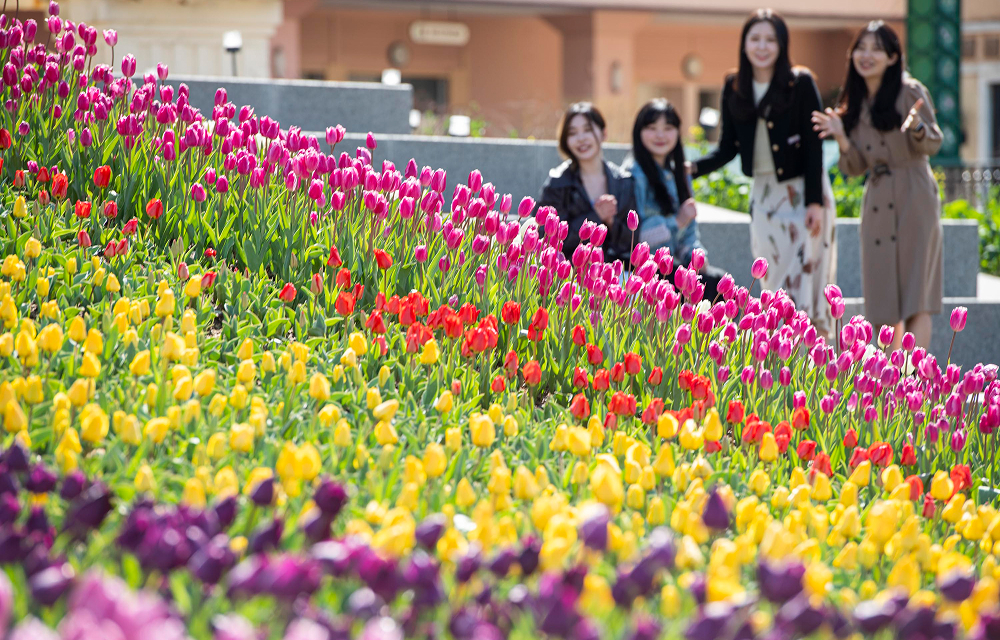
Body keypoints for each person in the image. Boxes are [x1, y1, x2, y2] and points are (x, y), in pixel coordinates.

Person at [690, 9, 837, 335]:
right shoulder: (734, 86)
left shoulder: (800, 83)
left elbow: (815, 146)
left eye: (770, 40)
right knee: (772, 275)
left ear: (782, 45)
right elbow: (727, 147)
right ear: (744, 44)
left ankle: (809, 358)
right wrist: (693, 169)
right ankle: (778, 357)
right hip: (764, 196)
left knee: (805, 275)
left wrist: (814, 201)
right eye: (755, 39)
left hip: (803, 194)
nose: (762, 46)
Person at [812, 21, 942, 350]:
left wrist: (916, 129)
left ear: (892, 57)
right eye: (861, 48)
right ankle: (886, 387)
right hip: (877, 199)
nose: (866, 55)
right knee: (882, 303)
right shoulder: (854, 102)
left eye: (876, 49)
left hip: (914, 193)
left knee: (917, 298)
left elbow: (934, 142)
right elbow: (854, 168)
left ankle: (915, 386)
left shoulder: (909, 90)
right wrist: (841, 136)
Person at [622, 98, 726, 301]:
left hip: (672, 268)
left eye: (668, 128)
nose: (660, 135)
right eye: (652, 128)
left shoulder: (680, 174)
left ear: (678, 132)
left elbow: (688, 236)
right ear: (639, 132)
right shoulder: (632, 174)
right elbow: (635, 235)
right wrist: (676, 221)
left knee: (716, 283)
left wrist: (696, 257)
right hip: (641, 269)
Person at [539, 102, 635, 267]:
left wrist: (611, 221)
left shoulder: (623, 181)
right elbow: (546, 238)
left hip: (613, 277)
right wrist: (595, 216)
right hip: (568, 276)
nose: (581, 138)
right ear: (566, 140)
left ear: (603, 133)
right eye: (573, 133)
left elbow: (631, 244)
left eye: (588, 130)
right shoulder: (557, 182)